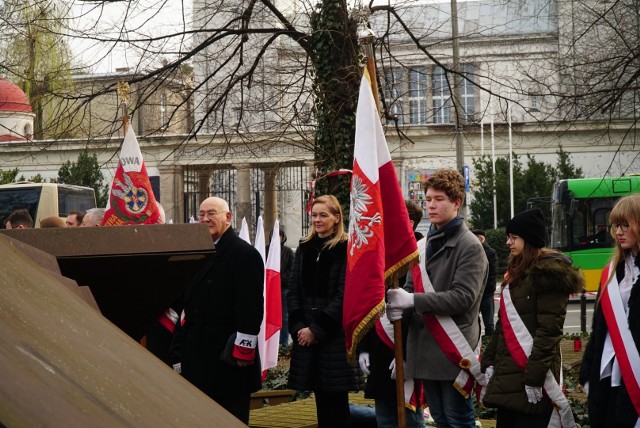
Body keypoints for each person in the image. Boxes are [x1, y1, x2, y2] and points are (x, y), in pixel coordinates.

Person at [386, 168, 487, 428]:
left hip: (452, 347)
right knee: (441, 419)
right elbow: (409, 291)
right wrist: (400, 346)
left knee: (457, 419)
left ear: (456, 203)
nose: (431, 205)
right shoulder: (423, 244)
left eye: (439, 199)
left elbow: (462, 298)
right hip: (424, 349)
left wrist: (413, 301)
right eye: (428, 199)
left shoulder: (470, 246)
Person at [482, 208, 583, 428]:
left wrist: (534, 378)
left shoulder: (549, 275)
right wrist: (488, 360)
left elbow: (549, 332)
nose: (508, 242)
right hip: (510, 374)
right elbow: (503, 326)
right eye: (508, 237)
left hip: (533, 375)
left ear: (529, 239)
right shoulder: (517, 271)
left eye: (514, 237)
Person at [170, 197, 263, 424]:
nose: (205, 219)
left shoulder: (244, 254)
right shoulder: (196, 251)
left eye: (211, 214)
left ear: (227, 217)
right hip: (197, 353)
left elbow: (250, 308)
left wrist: (243, 350)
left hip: (226, 359)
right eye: (201, 214)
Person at [287, 194, 363, 427]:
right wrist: (299, 327)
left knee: (336, 402)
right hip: (306, 332)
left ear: (336, 217)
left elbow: (345, 295)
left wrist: (316, 330)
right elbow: (294, 291)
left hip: (333, 335)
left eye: (323, 215)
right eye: (314, 215)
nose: (317, 220)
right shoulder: (304, 248)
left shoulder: (345, 248)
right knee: (320, 399)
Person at [357, 199, 426, 428]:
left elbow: (418, 310)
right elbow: (369, 302)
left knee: (411, 418)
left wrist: (406, 354)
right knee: (384, 417)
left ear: (411, 223)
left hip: (408, 345)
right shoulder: (379, 253)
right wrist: (364, 347)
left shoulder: (421, 254)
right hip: (379, 345)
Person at [580, 195, 640, 428]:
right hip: (611, 374)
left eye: (626, 224)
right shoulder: (613, 272)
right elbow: (599, 329)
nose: (619, 232)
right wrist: (588, 371)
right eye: (616, 225)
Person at [269, 226, 294, 346]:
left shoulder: (288, 252)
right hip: (269, 289)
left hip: (283, 289)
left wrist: (279, 278)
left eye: (279, 235)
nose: (277, 237)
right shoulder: (266, 250)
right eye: (275, 235)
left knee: (284, 317)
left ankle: (283, 343)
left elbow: (292, 269)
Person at [472, 229, 498, 336]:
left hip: (485, 293)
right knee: (474, 322)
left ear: (481, 239)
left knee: (488, 323)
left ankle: (488, 345)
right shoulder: (470, 251)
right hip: (475, 293)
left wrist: (485, 288)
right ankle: (480, 345)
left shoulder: (490, 252)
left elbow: (492, 273)